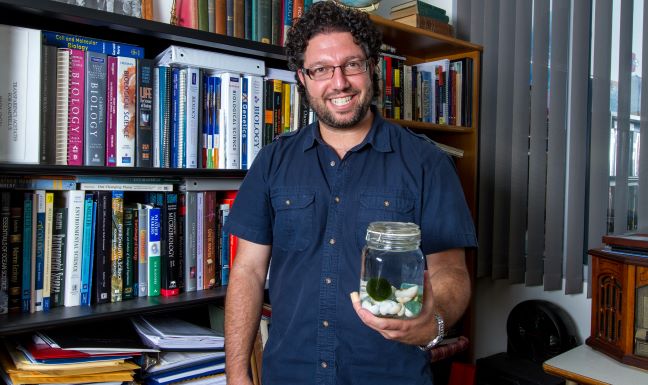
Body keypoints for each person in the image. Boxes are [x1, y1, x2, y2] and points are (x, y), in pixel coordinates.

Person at [224, 2, 477, 384]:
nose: (338, 82)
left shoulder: (427, 162)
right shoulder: (272, 161)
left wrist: (432, 320)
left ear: (371, 67)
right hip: (289, 375)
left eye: (352, 64)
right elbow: (247, 270)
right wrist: (236, 372)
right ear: (303, 78)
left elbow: (451, 272)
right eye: (322, 69)